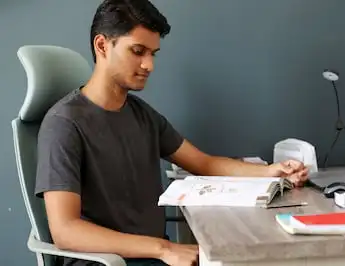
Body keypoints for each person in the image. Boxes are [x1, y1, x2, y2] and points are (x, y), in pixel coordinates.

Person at [35, 0, 309, 265]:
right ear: (102, 45)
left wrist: (270, 171)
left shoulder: (142, 115)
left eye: (152, 54)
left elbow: (204, 163)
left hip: (154, 255)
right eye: (138, 51)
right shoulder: (63, 123)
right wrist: (164, 249)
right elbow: (65, 230)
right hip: (108, 262)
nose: (149, 66)